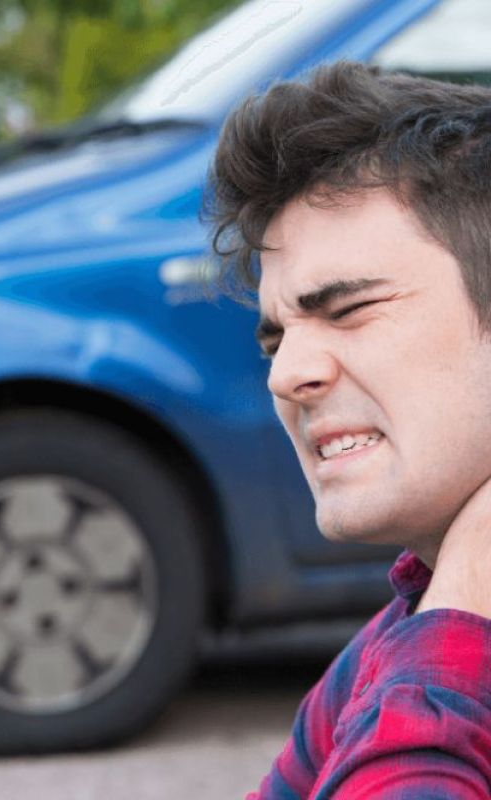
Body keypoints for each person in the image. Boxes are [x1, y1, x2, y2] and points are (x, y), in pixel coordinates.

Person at [209, 61, 491, 798]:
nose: (285, 375)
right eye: (276, 339)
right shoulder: (393, 638)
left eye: (348, 310)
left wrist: (460, 616)